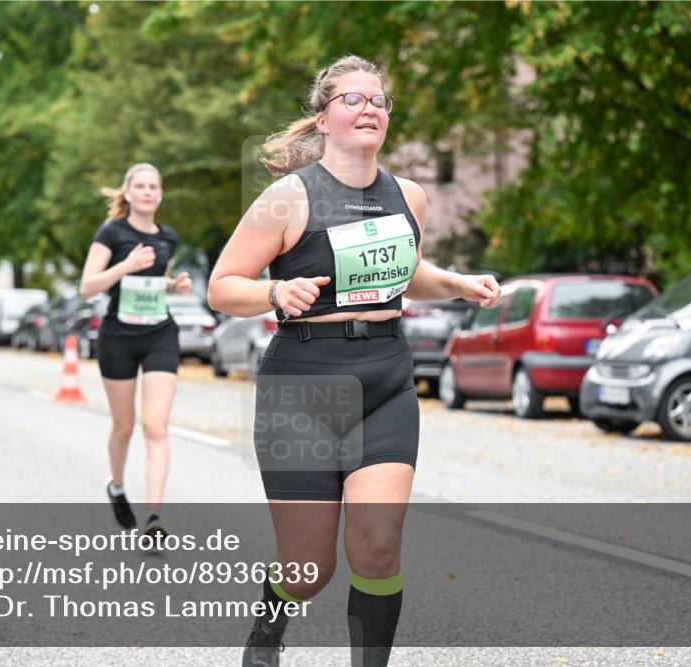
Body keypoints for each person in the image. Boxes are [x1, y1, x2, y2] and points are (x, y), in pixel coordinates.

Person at [206, 55, 502, 667]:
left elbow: (406, 273)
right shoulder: (287, 198)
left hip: (387, 380)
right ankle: (268, 626)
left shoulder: (409, 197)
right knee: (309, 567)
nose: (370, 107)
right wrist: (272, 293)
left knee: (376, 549)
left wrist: (457, 283)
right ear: (323, 119)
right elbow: (222, 285)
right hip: (303, 386)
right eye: (353, 99)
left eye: (379, 100)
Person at [79, 163, 192, 540]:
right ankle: (116, 485)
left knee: (156, 426)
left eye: (153, 186)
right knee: (124, 427)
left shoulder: (168, 238)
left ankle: (154, 515)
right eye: (140, 186)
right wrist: (125, 265)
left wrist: (174, 285)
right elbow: (87, 286)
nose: (146, 191)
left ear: (160, 194)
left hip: (159, 333)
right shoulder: (112, 233)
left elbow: (153, 281)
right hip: (118, 337)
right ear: (127, 193)